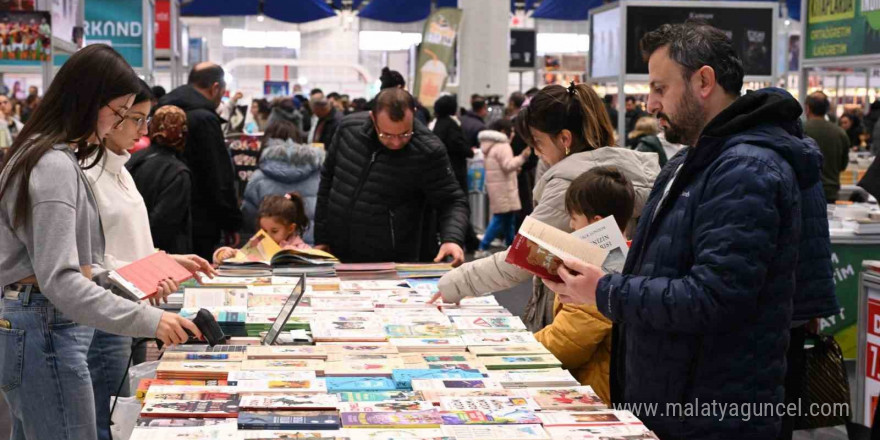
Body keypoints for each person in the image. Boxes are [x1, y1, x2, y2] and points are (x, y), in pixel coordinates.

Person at [542, 23, 829, 439]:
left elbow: (714, 297)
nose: (650, 102)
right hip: (675, 402)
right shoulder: (690, 164)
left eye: (660, 88)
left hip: (712, 414)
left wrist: (605, 291)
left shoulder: (746, 170)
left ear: (704, 81)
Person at [0, 43, 201, 440]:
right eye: (121, 113)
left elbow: (77, 266)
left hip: (36, 322)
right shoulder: (52, 163)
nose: (117, 125)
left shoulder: (48, 155)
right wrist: (151, 320)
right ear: (91, 100)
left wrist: (127, 281)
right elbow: (61, 279)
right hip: (45, 326)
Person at [433, 83, 660, 333]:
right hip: (616, 318)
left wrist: (454, 283)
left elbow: (519, 258)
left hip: (574, 318)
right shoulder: (621, 168)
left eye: (539, 142)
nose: (538, 152)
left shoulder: (571, 182)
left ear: (565, 139)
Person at [82, 80, 214, 440]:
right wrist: (144, 275)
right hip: (106, 315)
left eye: (146, 120)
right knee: (106, 419)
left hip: (131, 308)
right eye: (137, 119)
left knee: (120, 411)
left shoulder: (122, 169)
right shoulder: (84, 175)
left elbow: (128, 244)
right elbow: (91, 263)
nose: (143, 130)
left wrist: (168, 261)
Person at [315, 87, 469, 265]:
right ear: (373, 118)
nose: (396, 142)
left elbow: (453, 201)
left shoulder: (428, 150)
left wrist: (451, 238)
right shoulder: (348, 129)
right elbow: (327, 182)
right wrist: (321, 238)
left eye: (405, 133)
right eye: (386, 134)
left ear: (414, 114)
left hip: (392, 261)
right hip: (337, 251)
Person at [534, 166, 635, 405]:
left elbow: (567, 343)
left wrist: (520, 350)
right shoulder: (630, 256)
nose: (571, 225)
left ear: (595, 223)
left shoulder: (599, 273)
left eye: (574, 218)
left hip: (597, 393)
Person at [159, 63, 243, 260]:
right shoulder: (204, 119)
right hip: (201, 220)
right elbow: (218, 175)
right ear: (215, 88)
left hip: (165, 217)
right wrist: (231, 222)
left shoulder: (162, 110)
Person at [242, 120, 324, 244]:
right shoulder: (319, 175)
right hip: (313, 249)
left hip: (269, 250)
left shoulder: (258, 178)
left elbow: (248, 218)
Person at [127, 105, 194, 255]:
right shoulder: (178, 172)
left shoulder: (133, 160)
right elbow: (163, 226)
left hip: (129, 251)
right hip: (163, 259)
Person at [476, 118, 530, 258]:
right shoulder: (503, 146)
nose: (513, 134)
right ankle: (483, 247)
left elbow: (500, 167)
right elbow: (507, 165)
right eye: (511, 131)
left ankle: (511, 246)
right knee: (500, 218)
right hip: (505, 188)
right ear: (503, 131)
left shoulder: (491, 146)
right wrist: (522, 157)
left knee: (508, 219)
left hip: (498, 187)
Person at [214, 193, 312, 264]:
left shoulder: (302, 248)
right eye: (264, 230)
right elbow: (240, 255)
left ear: (290, 228)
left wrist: (295, 255)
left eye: (274, 231)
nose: (267, 236)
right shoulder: (258, 242)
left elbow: (314, 262)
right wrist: (223, 253)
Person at [805, 91, 850, 203]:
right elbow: (843, 165)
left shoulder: (800, 129)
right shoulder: (840, 132)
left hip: (805, 189)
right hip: (830, 190)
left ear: (808, 108)